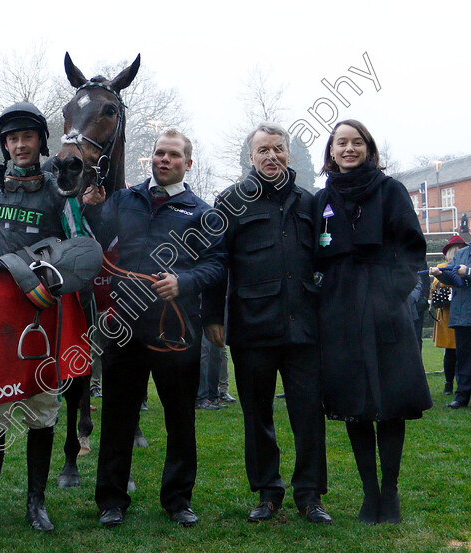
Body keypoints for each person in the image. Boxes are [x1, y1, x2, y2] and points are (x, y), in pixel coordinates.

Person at [0, 102, 88, 534]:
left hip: (42, 322)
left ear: (39, 141)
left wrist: (52, 274)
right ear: (4, 145)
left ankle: (36, 504)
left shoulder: (59, 193)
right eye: (12, 138)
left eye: (26, 137)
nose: (19, 144)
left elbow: (82, 249)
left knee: (42, 410)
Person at [85, 129, 226, 528]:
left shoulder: (201, 211)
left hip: (175, 329)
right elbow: (96, 240)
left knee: (180, 417)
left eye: (174, 155)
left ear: (188, 163)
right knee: (117, 416)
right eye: (159, 154)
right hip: (125, 325)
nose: (165, 160)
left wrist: (184, 281)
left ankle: (178, 500)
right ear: (151, 159)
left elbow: (217, 264)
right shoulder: (123, 200)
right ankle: (111, 500)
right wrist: (91, 210)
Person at [202, 123, 331, 524]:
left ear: (288, 154)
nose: (271, 156)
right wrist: (211, 316)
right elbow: (216, 263)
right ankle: (267, 492)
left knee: (309, 414)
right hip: (252, 327)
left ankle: (310, 496)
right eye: (263, 151)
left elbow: (322, 262)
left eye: (278, 149)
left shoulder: (309, 203)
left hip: (303, 328)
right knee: (257, 414)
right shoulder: (230, 202)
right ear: (251, 157)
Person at [314, 119, 431, 524]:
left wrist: (394, 293)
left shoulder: (391, 190)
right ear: (331, 151)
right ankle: (369, 494)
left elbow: (414, 249)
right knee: (355, 405)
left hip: (386, 311)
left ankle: (391, 492)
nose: (349, 148)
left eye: (356, 142)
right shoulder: (321, 198)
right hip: (341, 314)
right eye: (341, 143)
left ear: (368, 148)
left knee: (391, 402)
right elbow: (315, 255)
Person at [432, 235, 465, 395]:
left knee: (454, 353)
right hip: (449, 315)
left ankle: (451, 385)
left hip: (453, 314)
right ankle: (452, 384)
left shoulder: (446, 268)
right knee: (455, 352)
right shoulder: (444, 267)